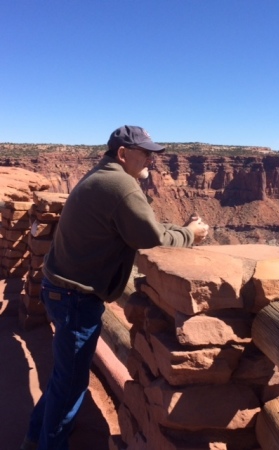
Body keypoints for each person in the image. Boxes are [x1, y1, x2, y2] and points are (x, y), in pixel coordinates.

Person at [21, 125, 209, 450]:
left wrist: (176, 227)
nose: (152, 158)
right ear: (123, 154)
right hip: (74, 299)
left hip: (60, 289)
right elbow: (151, 238)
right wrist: (191, 234)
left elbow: (140, 224)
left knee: (65, 379)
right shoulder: (121, 185)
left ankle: (34, 438)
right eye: (146, 152)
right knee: (70, 385)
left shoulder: (103, 176)